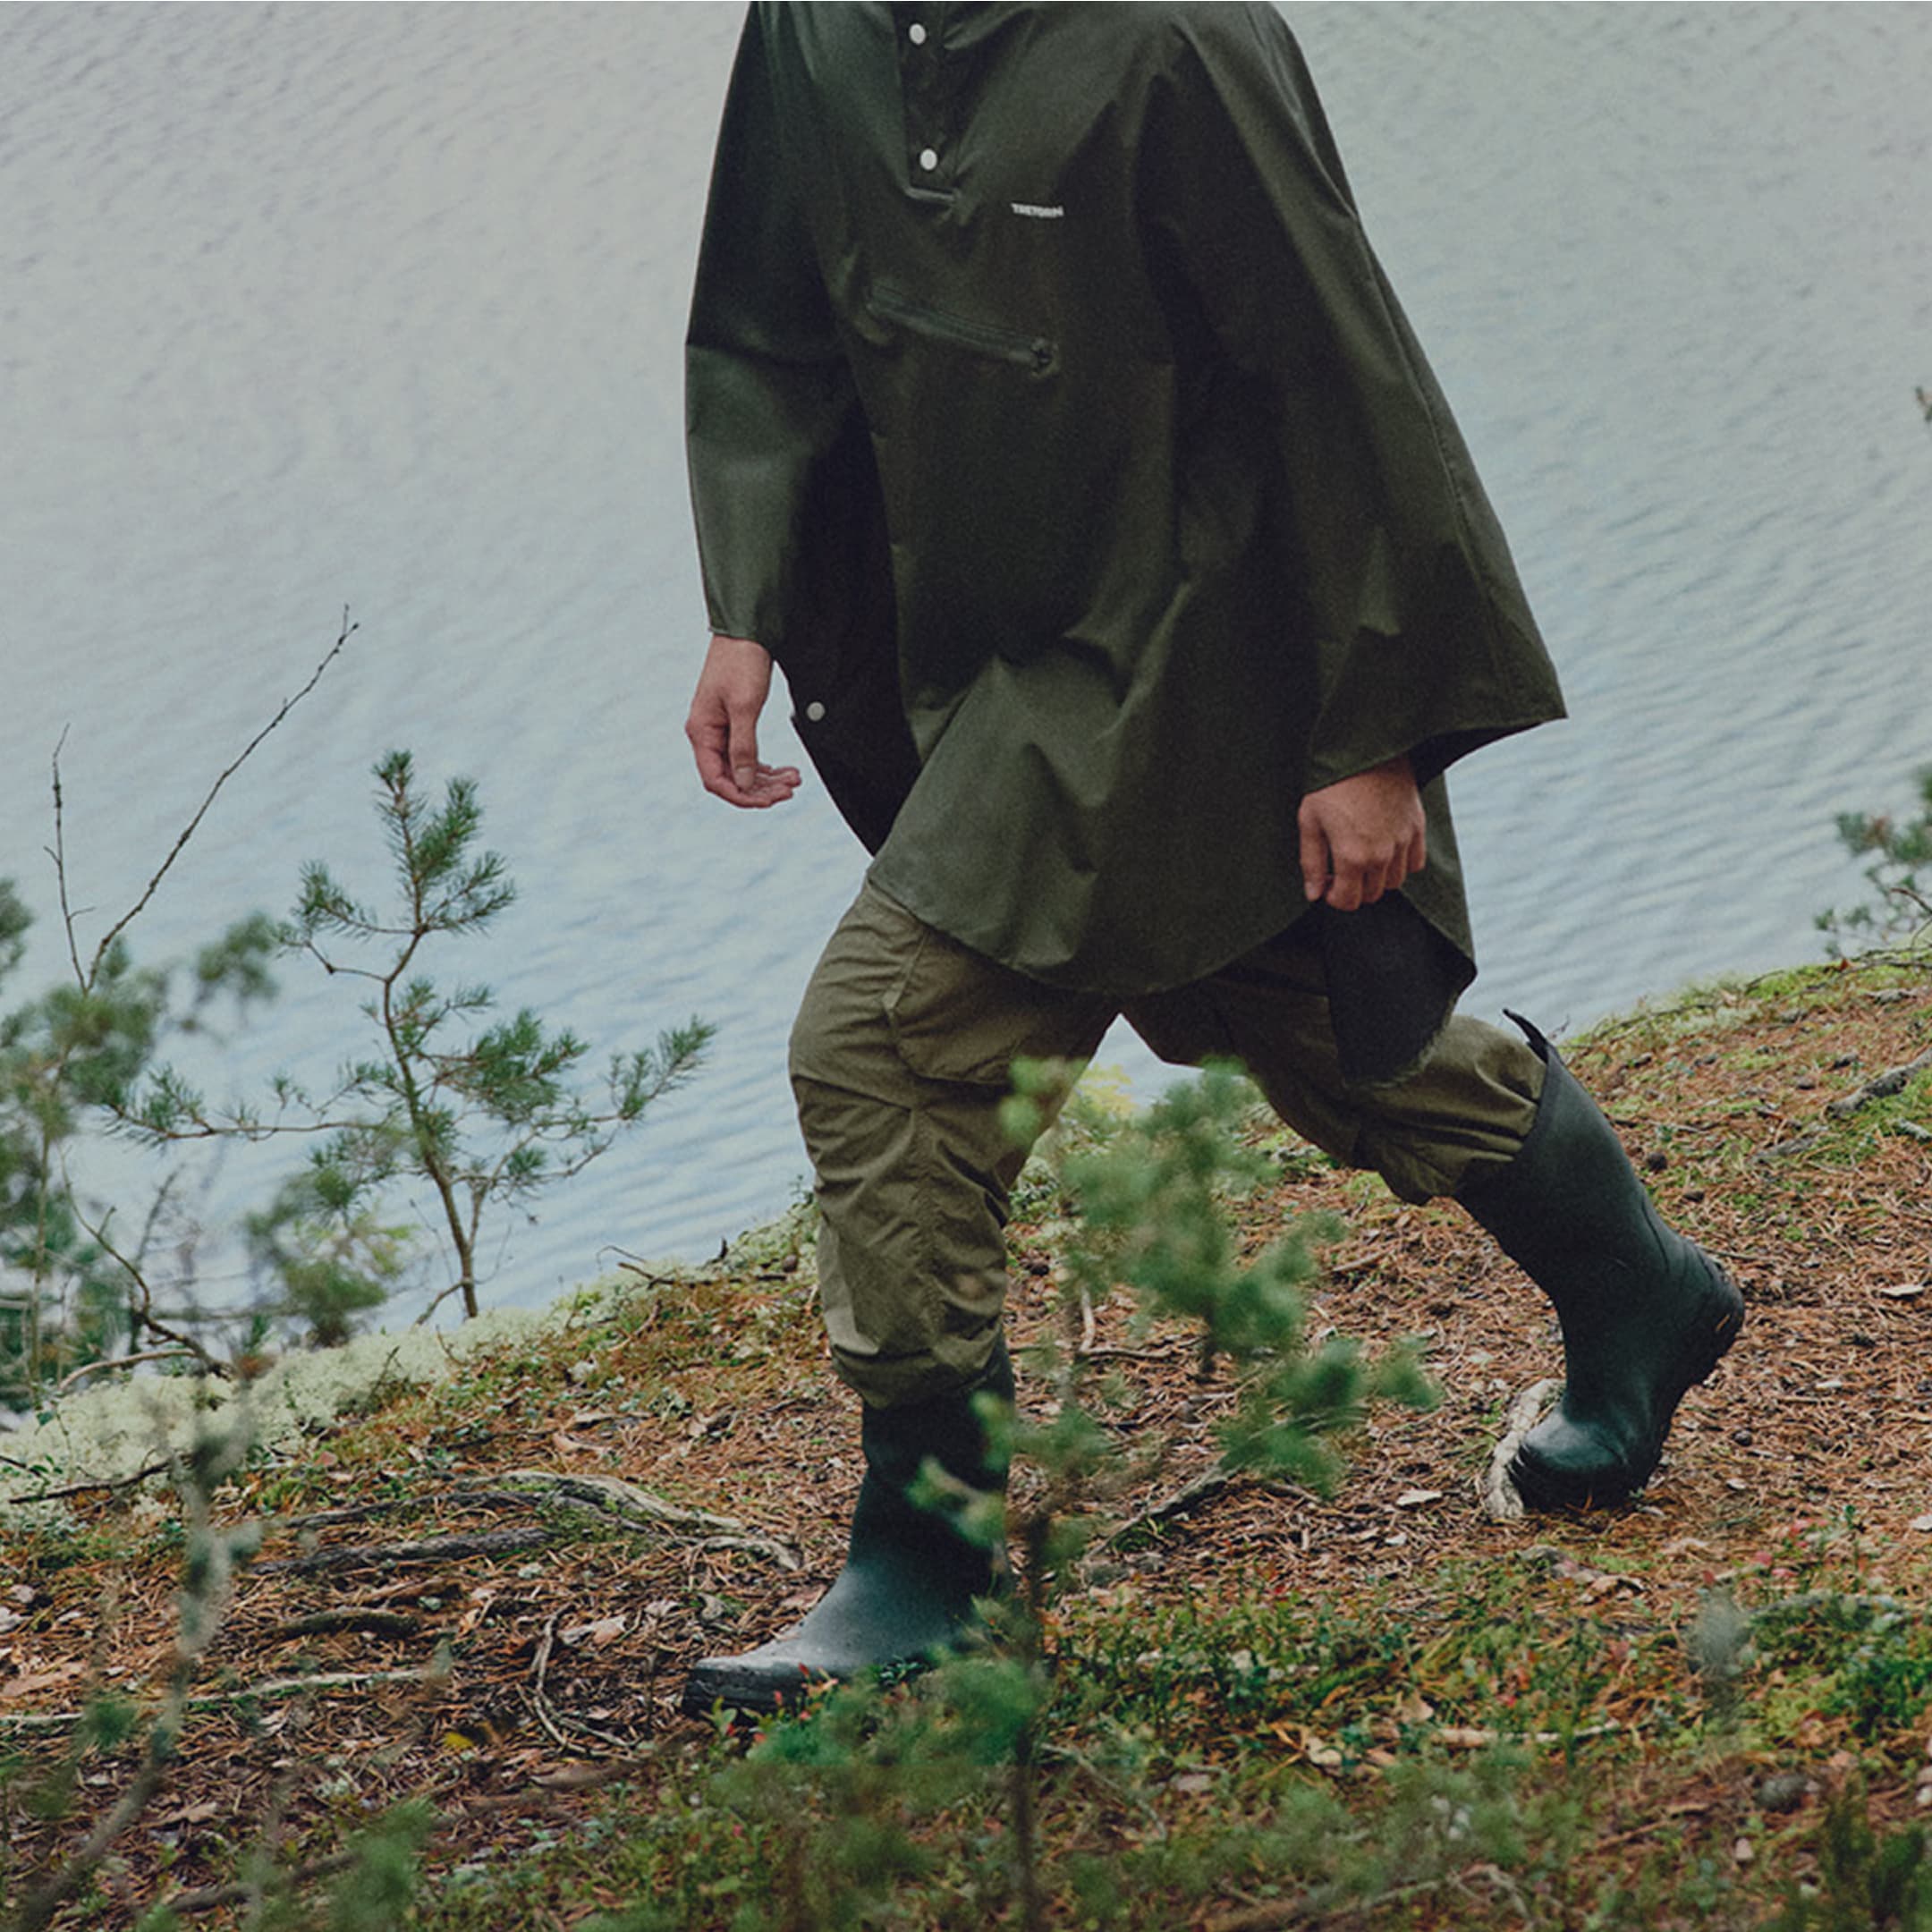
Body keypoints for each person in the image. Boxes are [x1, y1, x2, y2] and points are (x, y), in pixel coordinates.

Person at [677, 2, 1742, 1718]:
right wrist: (752, 606)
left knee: (884, 1046)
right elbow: (767, 333)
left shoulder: (1176, 35)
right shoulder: (813, 21)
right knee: (1319, 1018)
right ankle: (1643, 1289)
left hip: (1204, 649)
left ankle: (926, 1566)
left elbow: (1338, 368)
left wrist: (1373, 731)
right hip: (998, 651)